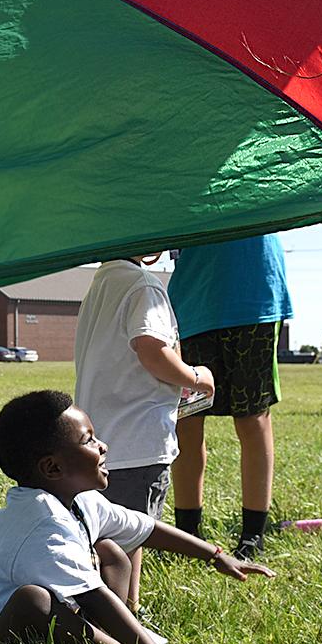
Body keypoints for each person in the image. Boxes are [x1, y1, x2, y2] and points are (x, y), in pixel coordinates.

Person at [0, 390, 270, 644]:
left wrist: (215, 555)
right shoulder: (41, 524)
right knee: (34, 601)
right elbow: (95, 598)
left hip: (57, 623)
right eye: (88, 440)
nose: (103, 445)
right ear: (52, 468)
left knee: (111, 551)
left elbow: (144, 529)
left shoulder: (79, 499)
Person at [72, 256, 212, 611]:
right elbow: (151, 348)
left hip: (101, 439)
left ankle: (117, 608)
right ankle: (124, 618)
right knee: (131, 535)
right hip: (139, 439)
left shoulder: (102, 282)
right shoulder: (144, 285)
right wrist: (197, 378)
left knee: (108, 534)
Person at [167, 237, 292, 559]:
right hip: (193, 301)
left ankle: (253, 535)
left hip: (255, 295)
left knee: (252, 417)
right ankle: (187, 534)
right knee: (189, 418)